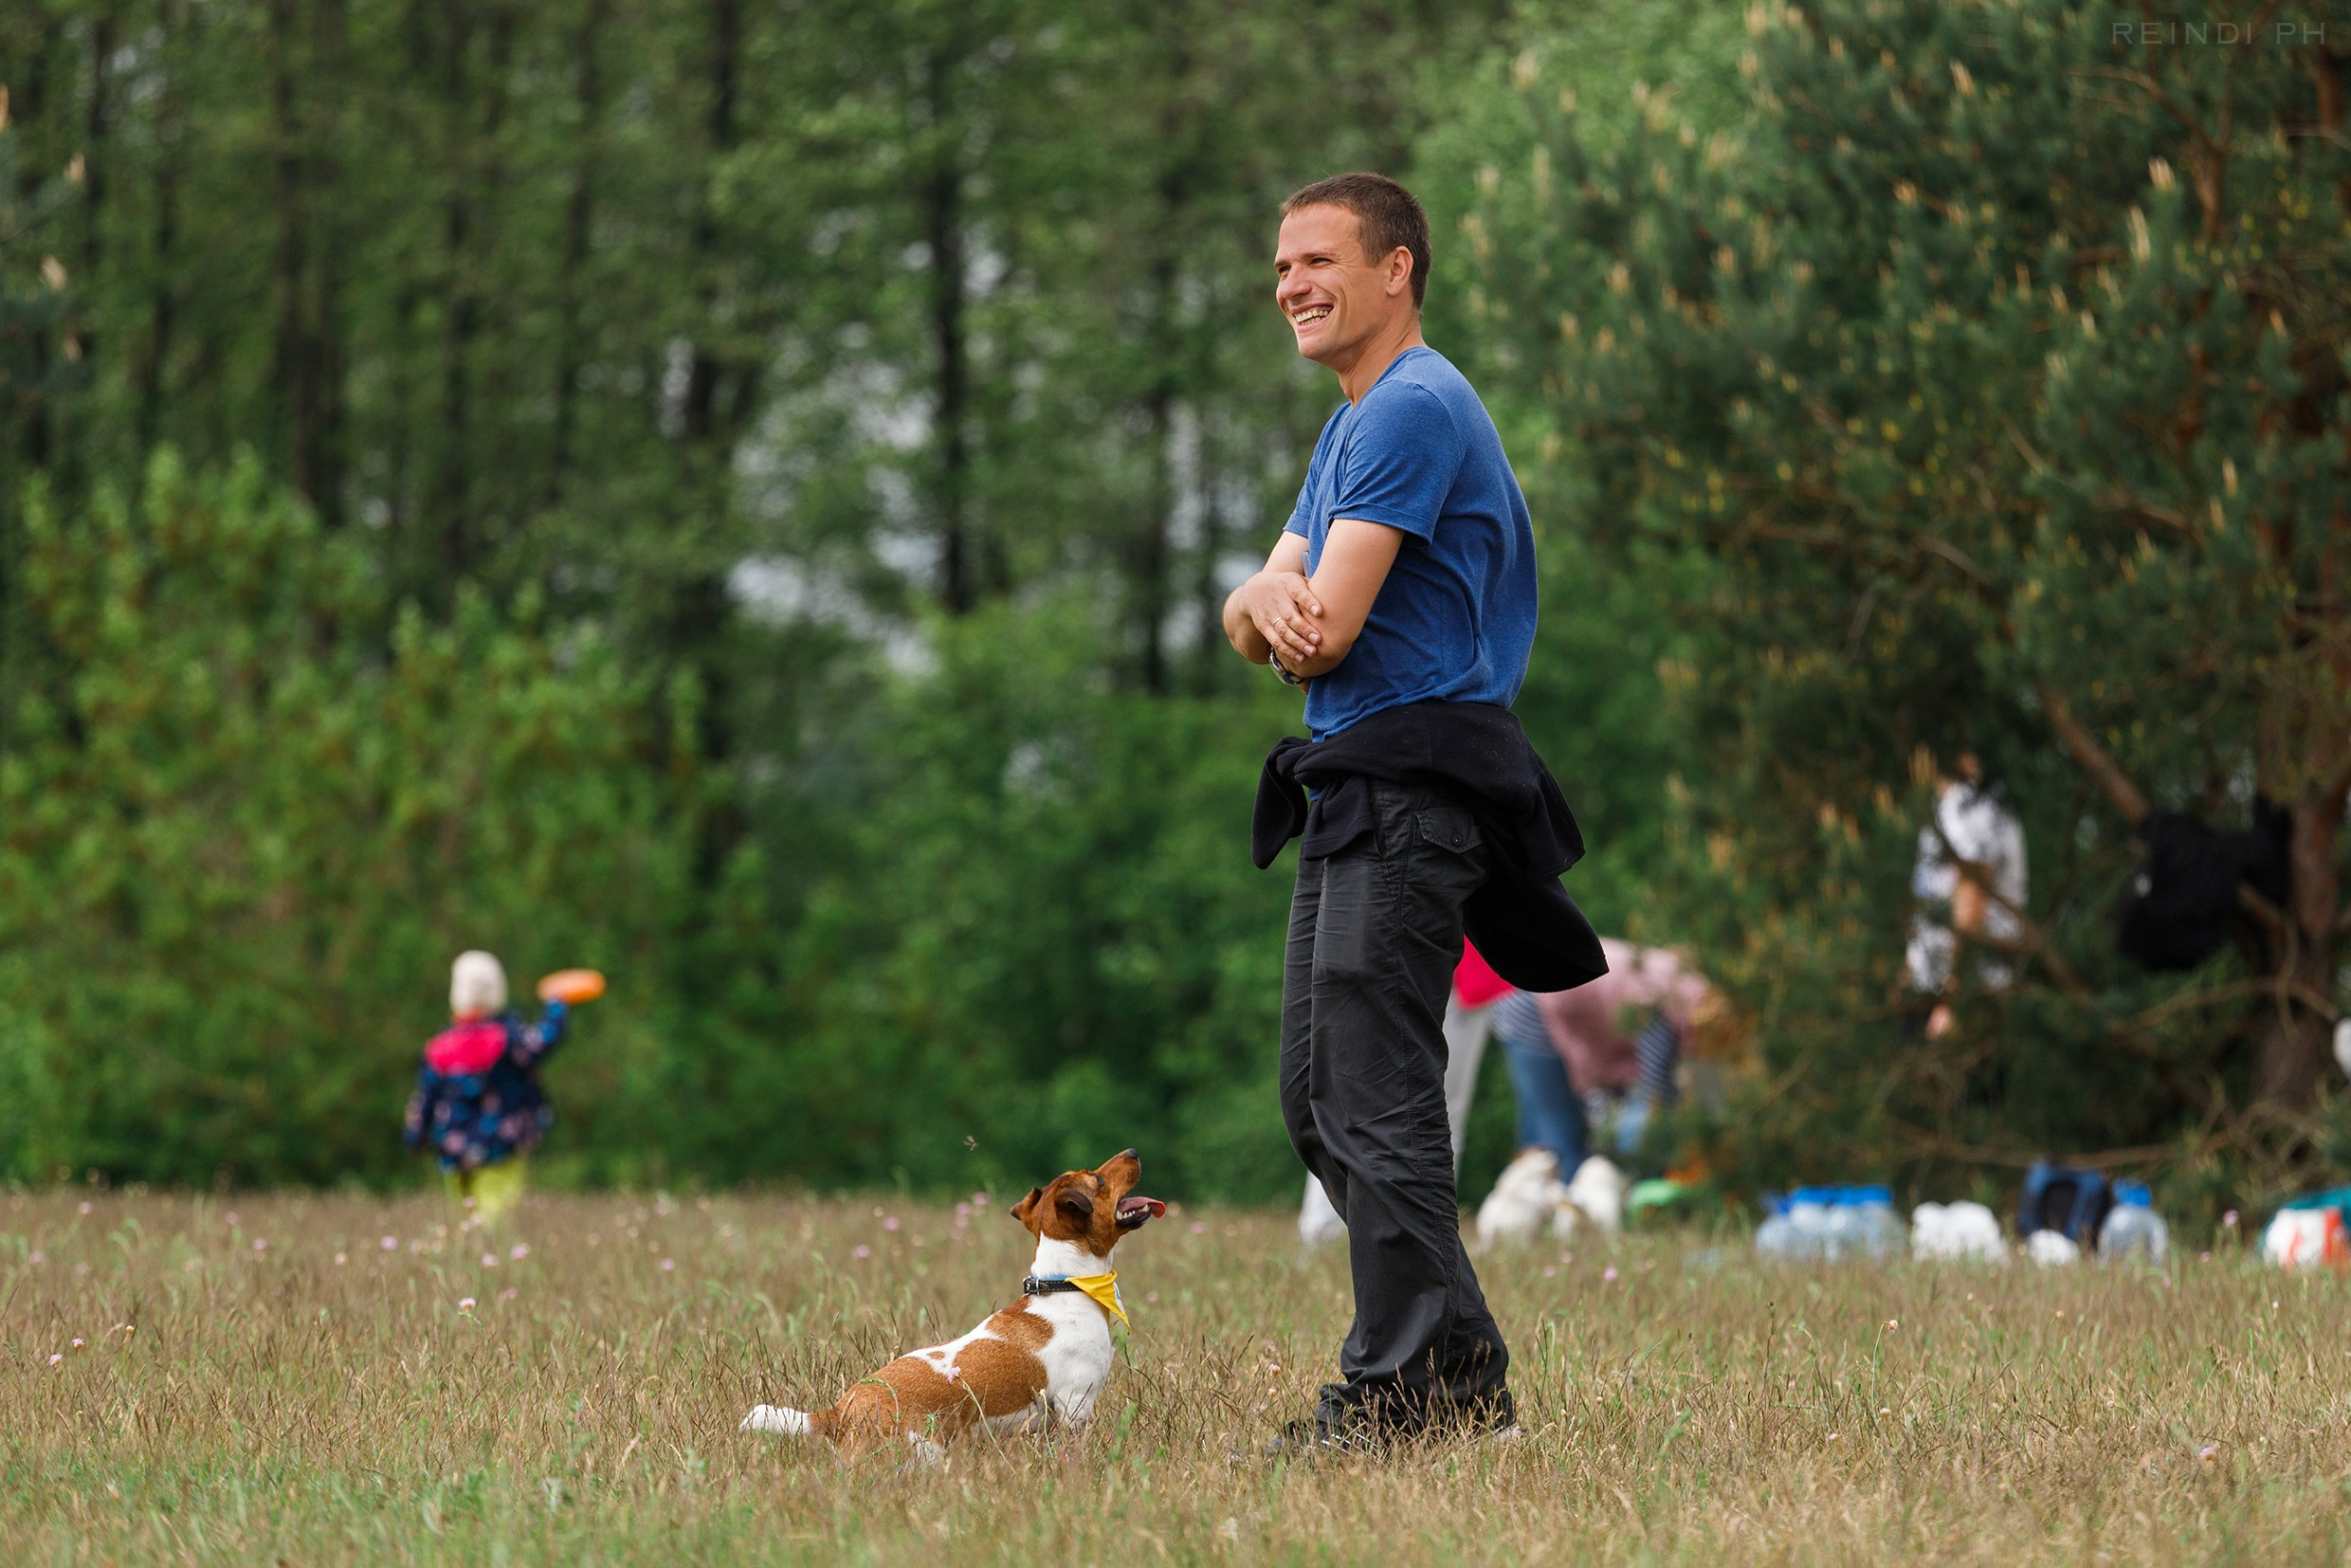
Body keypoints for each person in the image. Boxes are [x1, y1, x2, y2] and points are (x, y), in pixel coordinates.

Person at [1229, 173, 1604, 1451]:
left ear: (1396, 268)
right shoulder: (1353, 423)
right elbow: (1258, 609)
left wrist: (1276, 609)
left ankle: (1395, 1400)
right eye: (1281, 266)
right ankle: (1462, 1381)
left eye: (1318, 259)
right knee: (1319, 1099)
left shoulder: (1413, 406)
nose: (1292, 285)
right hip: (1356, 785)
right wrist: (1260, 602)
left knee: (1376, 1096)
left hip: (1411, 790)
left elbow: (1315, 627)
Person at [1298, 940, 1511, 1245]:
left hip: (1460, 971)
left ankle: (1428, 1237)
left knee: (1441, 1116)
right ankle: (1324, 1231)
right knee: (1352, 1100)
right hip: (1386, 958)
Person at [1492, 938, 1712, 1175]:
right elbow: (1657, 1092)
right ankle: (1566, 1189)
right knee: (1560, 1137)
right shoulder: (1664, 1017)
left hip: (1528, 981)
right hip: (1533, 1001)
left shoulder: (1686, 988)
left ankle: (1534, 1189)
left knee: (1539, 1131)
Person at [403, 950, 570, 1224]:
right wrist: (556, 1007)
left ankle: (468, 1247)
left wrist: (416, 1135)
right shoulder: (508, 1039)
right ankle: (489, 1246)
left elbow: (425, 1097)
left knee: (463, 1218)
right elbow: (543, 1041)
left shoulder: (440, 1047)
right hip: (500, 1145)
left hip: (453, 1148)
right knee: (495, 1216)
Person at [1904, 752, 2027, 1039]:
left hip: (1968, 988)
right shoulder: (1944, 809)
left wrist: (1951, 1001)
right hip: (1938, 986)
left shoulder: (1972, 807)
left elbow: (1972, 901)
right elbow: (1929, 903)